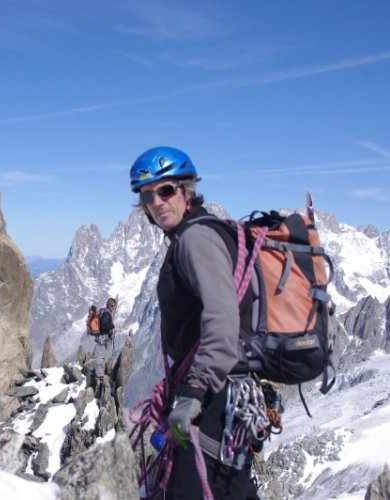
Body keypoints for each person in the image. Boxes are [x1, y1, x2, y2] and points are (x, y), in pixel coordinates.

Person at [130, 146, 257, 499]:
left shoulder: (195, 239)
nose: (157, 202)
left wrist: (194, 393)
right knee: (228, 486)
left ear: (187, 190)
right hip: (226, 392)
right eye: (147, 195)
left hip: (215, 396)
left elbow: (222, 315)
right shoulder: (194, 234)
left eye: (166, 190)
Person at [93, 297, 117, 379]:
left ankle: (99, 372)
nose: (114, 308)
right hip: (103, 337)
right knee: (101, 355)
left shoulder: (104, 311)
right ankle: (99, 373)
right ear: (110, 305)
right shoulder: (107, 313)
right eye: (113, 306)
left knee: (102, 354)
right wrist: (113, 325)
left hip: (102, 336)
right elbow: (104, 325)